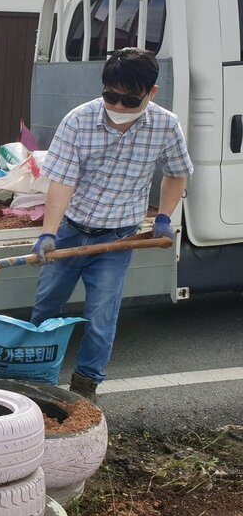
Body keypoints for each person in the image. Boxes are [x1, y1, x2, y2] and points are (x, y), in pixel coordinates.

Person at [30, 47, 193, 401]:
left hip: (117, 239)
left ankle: (85, 387)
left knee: (102, 317)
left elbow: (177, 173)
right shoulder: (78, 120)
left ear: (151, 93)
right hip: (72, 231)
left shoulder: (165, 125)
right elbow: (63, 181)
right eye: (110, 96)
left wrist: (164, 217)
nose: (117, 107)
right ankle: (35, 378)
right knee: (45, 310)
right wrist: (49, 232)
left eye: (129, 100)